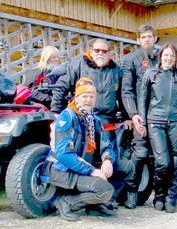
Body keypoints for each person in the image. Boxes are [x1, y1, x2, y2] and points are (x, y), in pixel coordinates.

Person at [49, 78, 135, 221]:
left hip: (84, 166)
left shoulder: (93, 119)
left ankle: (96, 205)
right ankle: (66, 202)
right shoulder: (67, 117)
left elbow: (106, 145)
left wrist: (107, 159)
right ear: (76, 97)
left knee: (127, 167)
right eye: (84, 96)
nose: (88, 100)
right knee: (105, 190)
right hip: (64, 171)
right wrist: (92, 171)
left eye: (91, 97)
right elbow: (63, 155)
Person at [138, 44, 177, 212]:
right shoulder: (150, 74)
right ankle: (159, 195)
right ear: (161, 56)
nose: (168, 59)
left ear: (176, 58)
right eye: (166, 55)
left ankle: (171, 196)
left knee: (176, 162)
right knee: (163, 162)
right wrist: (143, 123)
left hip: (176, 122)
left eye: (172, 56)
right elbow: (142, 98)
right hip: (155, 122)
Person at [121, 25, 161, 209]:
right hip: (141, 115)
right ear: (138, 40)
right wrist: (133, 114)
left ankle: (162, 195)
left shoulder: (164, 57)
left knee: (163, 156)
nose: (146, 39)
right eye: (143, 37)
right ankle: (131, 191)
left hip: (161, 115)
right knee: (140, 153)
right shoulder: (130, 59)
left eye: (149, 36)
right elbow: (126, 90)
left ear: (155, 38)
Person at [51, 39, 127, 126]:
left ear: (109, 53)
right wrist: (56, 111)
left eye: (104, 51)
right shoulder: (78, 66)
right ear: (91, 51)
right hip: (82, 120)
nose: (100, 53)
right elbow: (61, 87)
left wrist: (127, 118)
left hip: (108, 121)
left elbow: (123, 95)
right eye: (97, 50)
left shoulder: (116, 70)